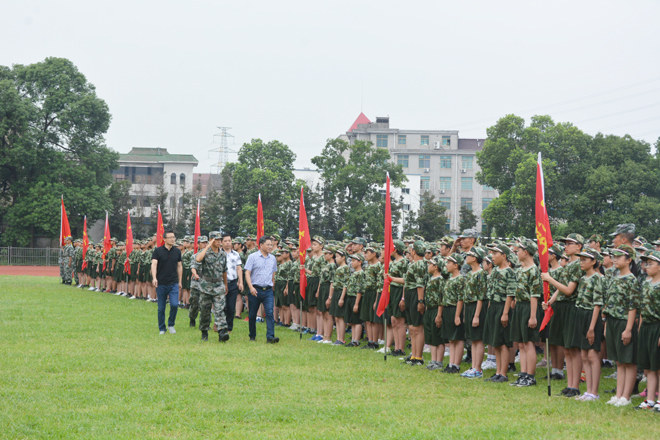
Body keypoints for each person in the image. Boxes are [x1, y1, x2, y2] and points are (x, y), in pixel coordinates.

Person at [541, 233, 585, 398]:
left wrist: (549, 278)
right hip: (562, 307)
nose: (565, 246)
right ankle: (570, 385)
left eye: (569, 243)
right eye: (565, 243)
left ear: (579, 246)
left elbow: (568, 290)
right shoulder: (567, 265)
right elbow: (560, 289)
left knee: (573, 348)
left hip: (572, 308)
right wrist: (550, 302)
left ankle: (575, 386)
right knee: (567, 348)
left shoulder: (578, 265)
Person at [603, 244, 640, 407]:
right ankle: (618, 394)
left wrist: (628, 329)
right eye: (614, 256)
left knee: (628, 361)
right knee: (618, 361)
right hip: (612, 321)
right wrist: (606, 325)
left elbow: (633, 306)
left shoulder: (631, 280)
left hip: (624, 322)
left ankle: (626, 396)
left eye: (619, 257)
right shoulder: (614, 277)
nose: (615, 259)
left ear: (629, 260)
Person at [572, 246, 605, 401]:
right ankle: (588, 391)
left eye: (584, 260)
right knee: (584, 354)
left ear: (593, 261)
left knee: (592, 354)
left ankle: (594, 392)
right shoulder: (582, 278)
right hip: (581, 314)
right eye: (580, 259)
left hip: (592, 316)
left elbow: (597, 304)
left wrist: (591, 328)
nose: (581, 262)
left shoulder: (598, 278)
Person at [509, 239, 542, 387]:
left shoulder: (534, 270)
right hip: (520, 307)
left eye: (519, 250)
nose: (517, 252)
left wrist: (533, 316)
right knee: (521, 343)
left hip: (529, 307)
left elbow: (534, 295)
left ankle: (530, 376)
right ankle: (523, 374)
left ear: (526, 252)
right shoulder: (521, 269)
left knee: (528, 343)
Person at [483, 244, 516, 383]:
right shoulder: (495, 271)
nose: (492, 256)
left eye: (495, 253)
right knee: (495, 342)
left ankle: (503, 373)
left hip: (503, 307)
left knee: (503, 342)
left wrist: (505, 313)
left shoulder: (509, 272)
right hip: (494, 307)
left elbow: (510, 294)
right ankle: (498, 371)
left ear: (504, 256)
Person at [193, 231, 230, 342]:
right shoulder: (205, 252)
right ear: (211, 240)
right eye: (216, 240)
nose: (219, 242)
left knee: (220, 310)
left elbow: (224, 271)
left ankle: (222, 332)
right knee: (205, 311)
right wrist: (207, 247)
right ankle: (204, 331)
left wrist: (225, 284)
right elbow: (198, 259)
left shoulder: (223, 254)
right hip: (206, 286)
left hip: (219, 285)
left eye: (220, 240)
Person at [637, 250, 660, 411]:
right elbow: (642, 308)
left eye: (650, 263)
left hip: (657, 326)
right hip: (646, 326)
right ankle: (650, 400)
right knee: (650, 366)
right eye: (646, 263)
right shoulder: (645, 283)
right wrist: (640, 328)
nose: (647, 266)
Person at [245, 235, 279, 343]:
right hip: (255, 289)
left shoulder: (273, 258)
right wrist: (251, 287)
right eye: (268, 244)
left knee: (269, 312)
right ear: (261, 245)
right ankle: (252, 336)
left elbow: (273, 272)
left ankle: (270, 337)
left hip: (268, 290)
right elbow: (247, 273)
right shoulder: (252, 257)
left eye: (271, 245)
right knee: (252, 314)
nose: (270, 247)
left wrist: (272, 283)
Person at [461, 247, 488, 379]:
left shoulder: (481, 273)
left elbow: (481, 296)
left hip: (477, 307)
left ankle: (478, 368)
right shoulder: (470, 273)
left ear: (475, 258)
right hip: (469, 306)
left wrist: (476, 315)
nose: (467, 257)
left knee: (478, 339)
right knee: (473, 339)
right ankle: (473, 367)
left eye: (469, 255)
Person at [400, 241, 428, 365]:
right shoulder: (414, 263)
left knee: (417, 327)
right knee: (411, 327)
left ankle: (418, 357)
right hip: (410, 294)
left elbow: (420, 284)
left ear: (414, 251)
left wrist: (420, 301)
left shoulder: (420, 264)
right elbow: (406, 281)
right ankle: (413, 355)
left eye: (411, 250)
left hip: (416, 294)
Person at [151, 230, 183, 335]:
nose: (173, 239)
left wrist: (180, 281)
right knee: (161, 308)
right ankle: (162, 328)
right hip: (161, 283)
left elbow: (179, 266)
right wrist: (154, 278)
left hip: (173, 282)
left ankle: (171, 324)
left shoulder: (177, 251)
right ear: (164, 239)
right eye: (170, 237)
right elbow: (154, 265)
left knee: (174, 305)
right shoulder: (158, 251)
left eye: (174, 237)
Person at [440, 253, 466, 373]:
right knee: (451, 339)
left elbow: (460, 299)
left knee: (457, 338)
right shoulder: (450, 278)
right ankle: (451, 363)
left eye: (449, 263)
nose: (446, 265)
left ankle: (456, 365)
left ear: (456, 265)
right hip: (447, 309)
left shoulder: (460, 279)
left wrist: (457, 316)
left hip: (455, 309)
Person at [221, 233, 243, 332]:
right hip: (221, 283)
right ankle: (220, 325)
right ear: (221, 242)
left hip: (233, 283)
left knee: (231, 307)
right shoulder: (219, 254)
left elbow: (239, 268)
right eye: (225, 241)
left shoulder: (236, 254)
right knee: (221, 306)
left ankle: (229, 328)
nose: (228, 243)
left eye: (229, 241)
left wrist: (240, 281)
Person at [343, 253, 366, 347]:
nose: (352, 263)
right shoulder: (354, 273)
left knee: (357, 321)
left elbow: (359, 289)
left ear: (360, 262)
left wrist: (356, 304)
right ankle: (353, 339)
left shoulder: (361, 273)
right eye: (351, 261)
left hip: (356, 298)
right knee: (352, 321)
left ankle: (356, 340)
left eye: (354, 261)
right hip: (350, 297)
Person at [330, 248, 350, 345]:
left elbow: (346, 284)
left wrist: (342, 298)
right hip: (336, 292)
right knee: (337, 317)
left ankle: (341, 339)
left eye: (338, 256)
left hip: (341, 292)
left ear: (343, 257)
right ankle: (338, 338)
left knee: (341, 317)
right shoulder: (338, 268)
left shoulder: (345, 268)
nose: (336, 258)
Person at [189, 236, 208, 326]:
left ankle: (205, 323)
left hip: (207, 282)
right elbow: (193, 267)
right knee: (194, 303)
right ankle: (192, 318)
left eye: (206, 243)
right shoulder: (195, 256)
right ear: (198, 244)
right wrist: (195, 274)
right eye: (203, 243)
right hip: (196, 282)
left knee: (206, 304)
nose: (205, 244)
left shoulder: (210, 256)